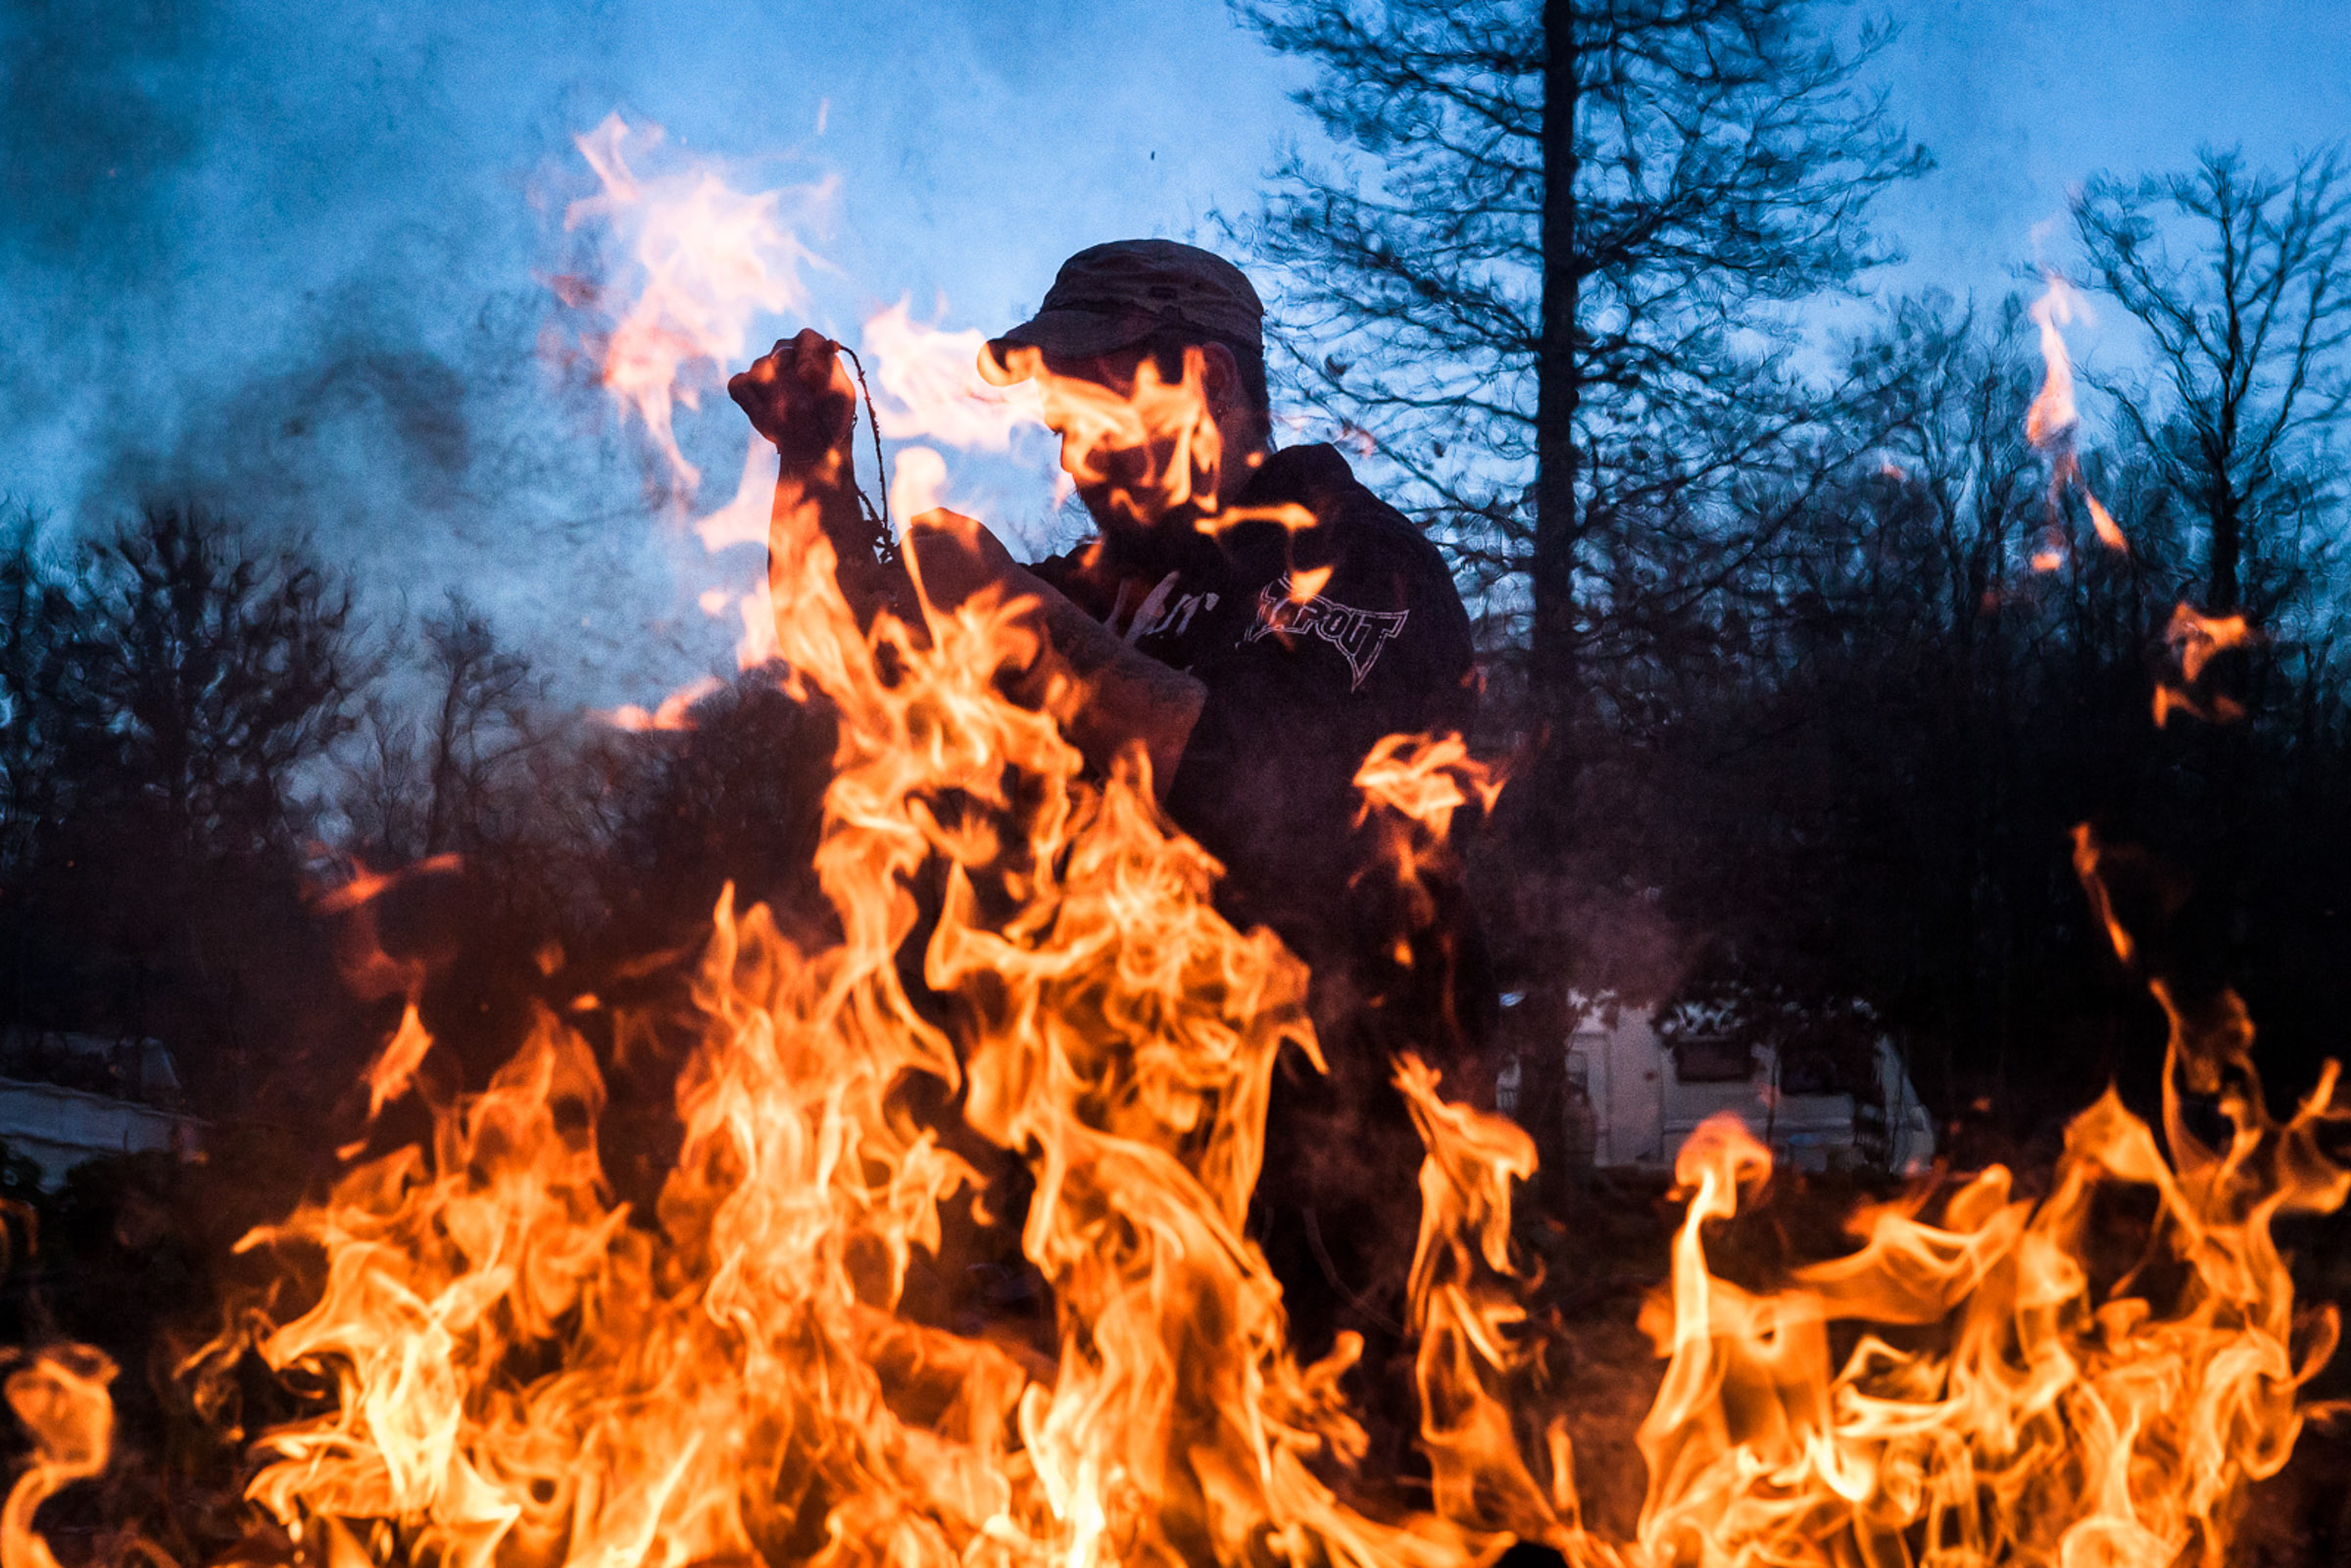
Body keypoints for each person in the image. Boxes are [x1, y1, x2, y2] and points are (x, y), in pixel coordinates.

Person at [727, 239, 1492, 1371]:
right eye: (1055, 427)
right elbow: (846, 665)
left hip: (1324, 1235)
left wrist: (1010, 615)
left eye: (1091, 409)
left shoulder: (1351, 558)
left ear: (1210, 383)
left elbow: (1256, 793)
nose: (1071, 455)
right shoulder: (1109, 584)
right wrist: (816, 467)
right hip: (1104, 1221)